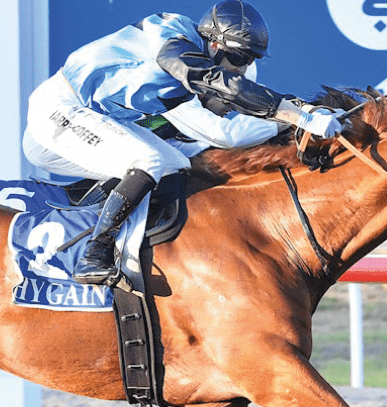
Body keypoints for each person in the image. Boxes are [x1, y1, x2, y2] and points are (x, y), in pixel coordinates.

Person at [22, 0, 346, 285]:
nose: (244, 68)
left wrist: (306, 109)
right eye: (240, 58)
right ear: (216, 46)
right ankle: (94, 250)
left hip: (96, 118)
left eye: (249, 59)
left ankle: (122, 243)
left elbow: (229, 102)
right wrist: (300, 119)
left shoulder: (199, 54)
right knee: (148, 160)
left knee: (176, 164)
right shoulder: (176, 45)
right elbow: (225, 94)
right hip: (61, 109)